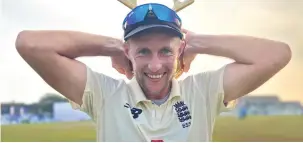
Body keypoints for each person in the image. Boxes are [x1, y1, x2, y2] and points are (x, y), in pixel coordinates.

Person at [15, 3, 291, 142]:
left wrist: (197, 42)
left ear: (180, 50)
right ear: (128, 52)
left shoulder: (203, 91)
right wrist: (112, 46)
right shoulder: (103, 94)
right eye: (143, 51)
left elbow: (277, 54)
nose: (156, 65)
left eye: (166, 51)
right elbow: (30, 44)